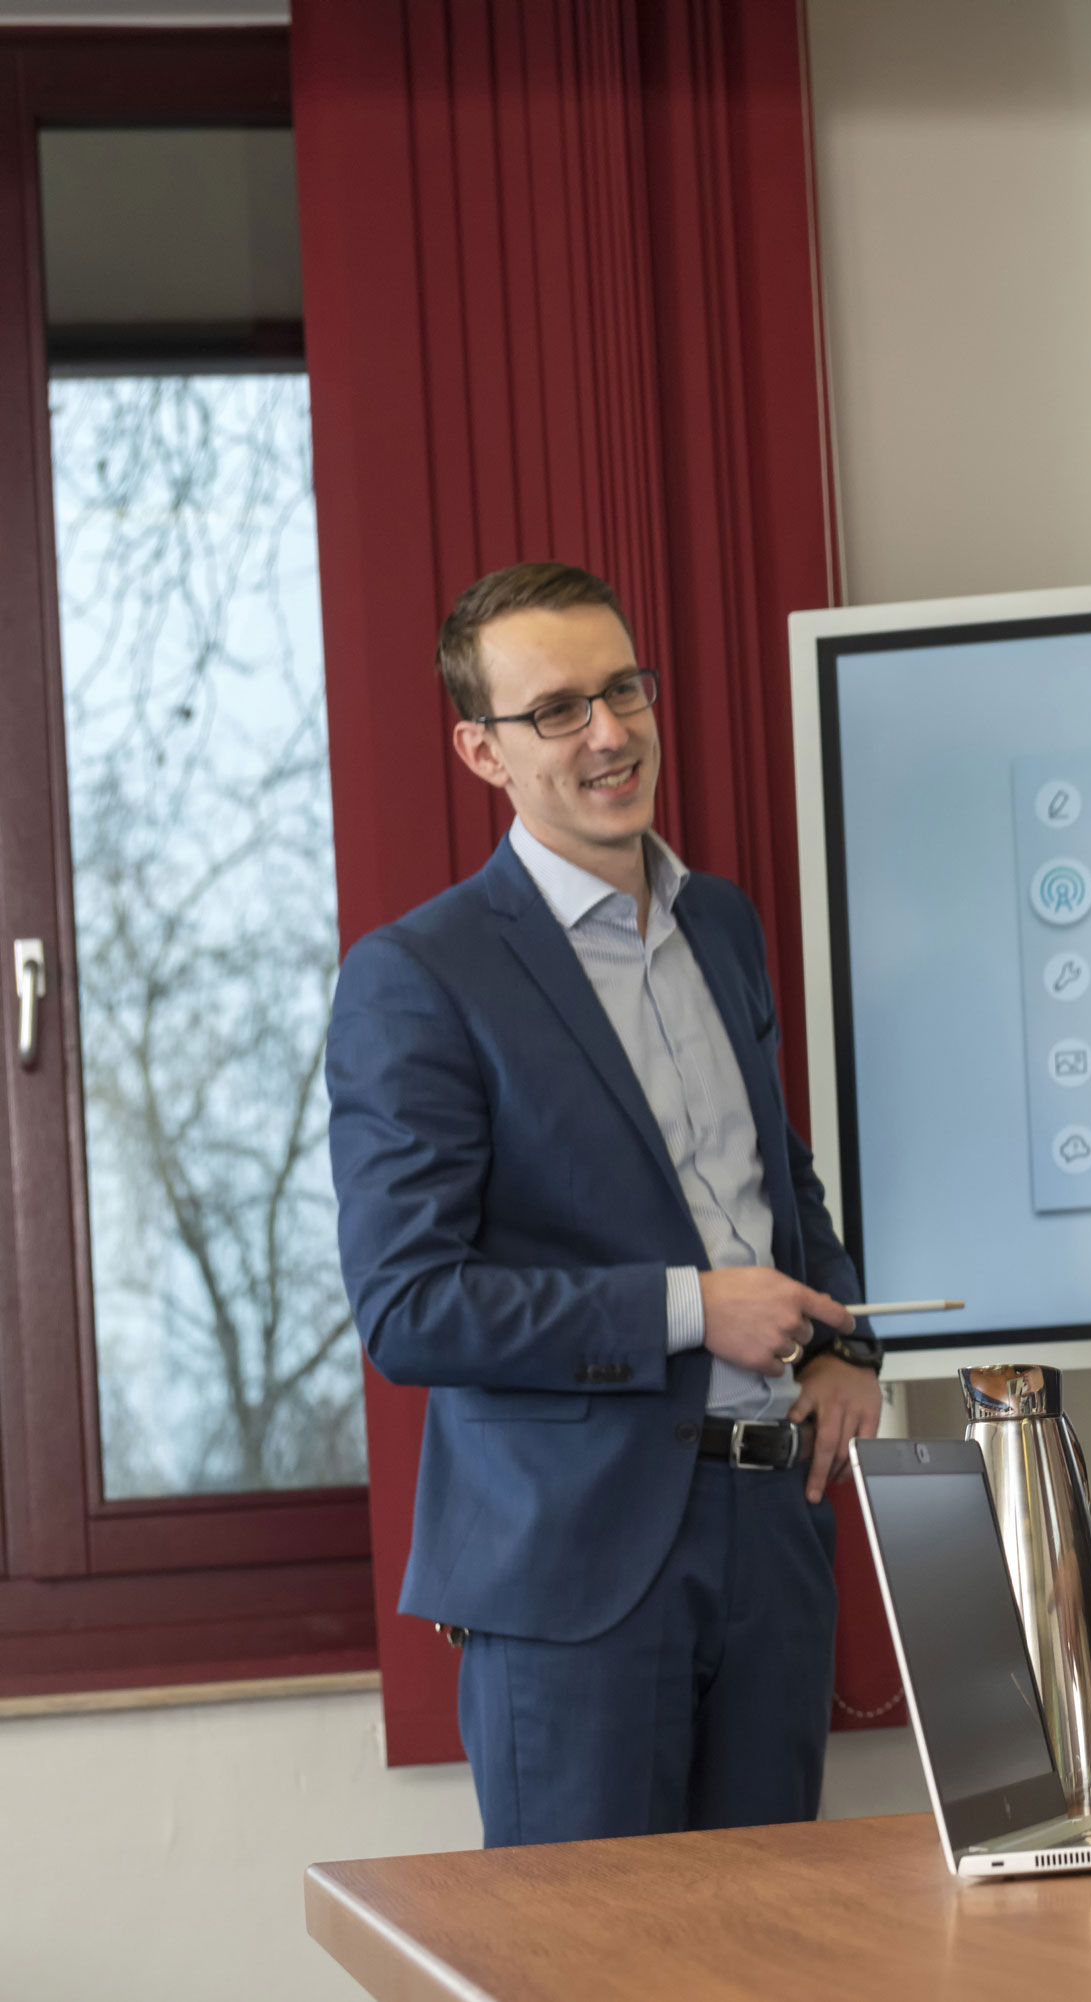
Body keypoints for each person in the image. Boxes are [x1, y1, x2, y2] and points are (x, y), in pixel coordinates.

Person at [327, 562, 885, 1846]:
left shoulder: (722, 926)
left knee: (772, 1943)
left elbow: (775, 1178)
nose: (610, 733)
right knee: (588, 1950)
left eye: (624, 688)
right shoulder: (418, 977)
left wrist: (845, 1340)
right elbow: (411, 1308)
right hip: (573, 1567)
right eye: (558, 709)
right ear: (482, 750)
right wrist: (690, 1309)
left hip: (773, 1531)